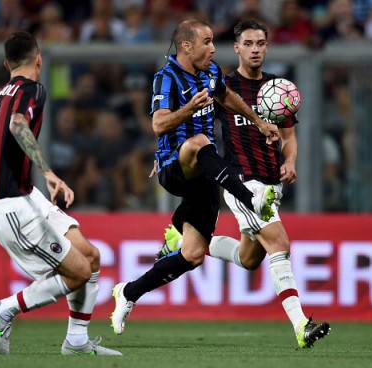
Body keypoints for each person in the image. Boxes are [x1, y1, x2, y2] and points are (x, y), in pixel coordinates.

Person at [157, 20, 330, 349]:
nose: (255, 49)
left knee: (250, 259)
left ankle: (183, 237)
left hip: (272, 183)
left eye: (261, 43)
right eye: (248, 43)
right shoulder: (221, 82)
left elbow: (289, 138)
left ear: (267, 46)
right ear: (236, 47)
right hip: (242, 181)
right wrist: (166, 154)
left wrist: (290, 160)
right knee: (279, 243)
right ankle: (301, 324)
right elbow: (191, 123)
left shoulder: (278, 90)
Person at [110, 19, 280, 335]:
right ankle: (249, 197)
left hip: (205, 173)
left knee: (192, 255)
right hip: (176, 167)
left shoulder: (210, 72)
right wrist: (188, 109)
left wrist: (257, 121)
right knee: (200, 142)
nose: (213, 48)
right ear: (187, 46)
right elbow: (159, 125)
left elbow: (227, 97)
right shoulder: (167, 78)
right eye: (207, 41)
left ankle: (128, 292)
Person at [0, 31, 121, 357]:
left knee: (90, 257)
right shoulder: (32, 89)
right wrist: (48, 172)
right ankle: (4, 309)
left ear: (7, 64)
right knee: (77, 273)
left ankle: (76, 340)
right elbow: (18, 125)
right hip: (11, 205)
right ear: (38, 59)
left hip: (21, 196)